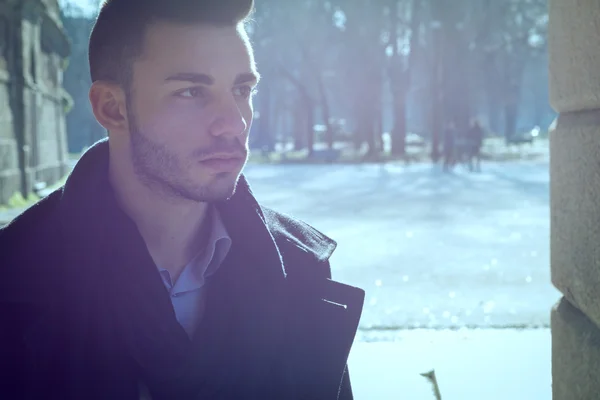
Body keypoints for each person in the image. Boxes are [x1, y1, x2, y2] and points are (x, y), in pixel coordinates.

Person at [0, 1, 364, 399]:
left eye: (242, 89)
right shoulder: (16, 279)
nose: (234, 122)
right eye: (192, 91)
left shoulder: (299, 269)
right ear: (112, 108)